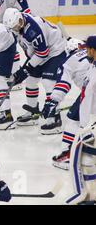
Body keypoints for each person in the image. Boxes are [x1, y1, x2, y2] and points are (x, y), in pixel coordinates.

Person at [3, 8, 67, 133]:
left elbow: (43, 52)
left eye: (18, 25)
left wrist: (26, 69)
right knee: (31, 81)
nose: (17, 28)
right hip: (40, 53)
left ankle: (54, 118)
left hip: (55, 51)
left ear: (20, 18)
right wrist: (24, 71)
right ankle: (33, 112)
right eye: (14, 27)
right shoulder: (16, 26)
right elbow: (34, 50)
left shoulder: (33, 28)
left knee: (48, 82)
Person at [42, 39, 90, 169]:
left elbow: (63, 84)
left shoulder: (69, 61)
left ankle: (68, 155)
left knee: (73, 120)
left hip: (92, 91)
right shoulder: (92, 52)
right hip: (91, 90)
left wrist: (52, 102)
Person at [66, 35, 96, 205]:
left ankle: (83, 196)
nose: (85, 51)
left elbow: (90, 98)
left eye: (87, 49)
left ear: (93, 50)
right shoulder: (92, 66)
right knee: (88, 161)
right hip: (90, 123)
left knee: (79, 160)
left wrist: (88, 126)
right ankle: (91, 197)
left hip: (92, 125)